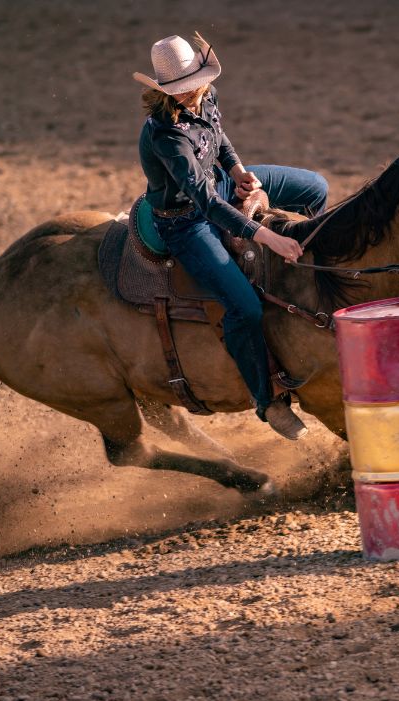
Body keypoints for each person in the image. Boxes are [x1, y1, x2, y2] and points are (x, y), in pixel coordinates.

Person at [133, 33, 328, 440]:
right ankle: (267, 401)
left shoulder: (207, 95)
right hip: (186, 221)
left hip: (221, 183)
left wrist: (238, 171)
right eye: (182, 89)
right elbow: (204, 204)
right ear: (165, 92)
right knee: (244, 308)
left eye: (195, 84)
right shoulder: (166, 136)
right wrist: (267, 237)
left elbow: (219, 138)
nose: (192, 93)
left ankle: (321, 280)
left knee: (315, 188)